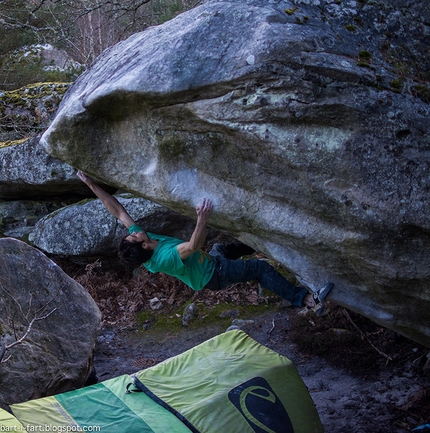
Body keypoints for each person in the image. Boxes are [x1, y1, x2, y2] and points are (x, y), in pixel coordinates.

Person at [77, 171, 333, 314]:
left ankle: (274, 247)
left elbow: (119, 212)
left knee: (233, 246)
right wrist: (202, 219)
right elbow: (192, 247)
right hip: (213, 274)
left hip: (211, 259)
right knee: (259, 269)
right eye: (133, 235)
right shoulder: (163, 257)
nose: (134, 230)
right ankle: (307, 300)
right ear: (142, 245)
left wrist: (91, 184)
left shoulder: (146, 242)